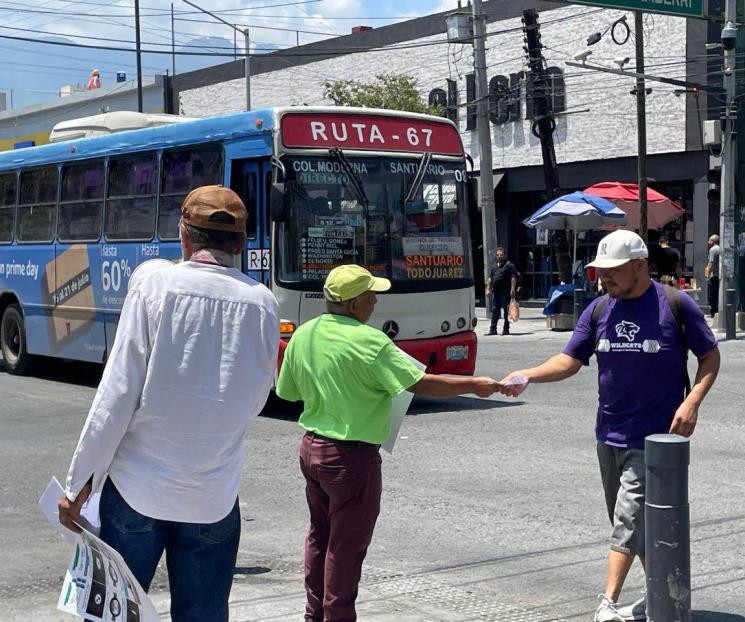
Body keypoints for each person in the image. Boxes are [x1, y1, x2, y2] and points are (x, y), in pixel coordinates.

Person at [58, 185, 279, 622]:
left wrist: (79, 484)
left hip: (138, 492)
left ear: (184, 234)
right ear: (240, 243)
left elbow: (116, 394)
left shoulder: (156, 283)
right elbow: (255, 400)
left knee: (114, 616)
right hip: (214, 497)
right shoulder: (263, 303)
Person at [499, 230, 720, 622]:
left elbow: (709, 358)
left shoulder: (674, 304)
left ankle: (606, 603)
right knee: (638, 529)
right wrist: (528, 375)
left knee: (628, 520)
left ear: (639, 265)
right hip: (608, 434)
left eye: (612, 271)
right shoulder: (599, 309)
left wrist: (692, 402)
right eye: (600, 271)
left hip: (654, 438)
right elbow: (570, 360)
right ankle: (663, 598)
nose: (603, 279)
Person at [276, 264, 503, 622]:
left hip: (312, 450)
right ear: (352, 304)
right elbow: (422, 382)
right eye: (370, 295)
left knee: (320, 536)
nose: (375, 302)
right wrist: (474, 384)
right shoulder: (371, 342)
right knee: (346, 547)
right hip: (351, 458)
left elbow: (286, 391)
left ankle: (314, 614)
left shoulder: (305, 333)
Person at [485, 247, 518, 336]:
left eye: (501, 255)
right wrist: (488, 289)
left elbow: (513, 277)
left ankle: (506, 329)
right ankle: (493, 329)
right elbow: (490, 279)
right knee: (495, 310)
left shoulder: (509, 265)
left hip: (505, 292)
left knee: (506, 312)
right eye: (498, 255)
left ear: (505, 255)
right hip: (496, 292)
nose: (499, 256)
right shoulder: (494, 266)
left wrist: (512, 289)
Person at [705, 234, 720, 318]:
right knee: (716, 294)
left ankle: (713, 313)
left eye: (710, 240)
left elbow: (711, 263)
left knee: (712, 295)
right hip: (718, 275)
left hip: (713, 275)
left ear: (713, 241)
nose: (708, 242)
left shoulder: (713, 250)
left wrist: (707, 274)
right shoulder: (719, 248)